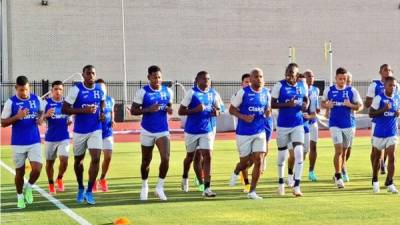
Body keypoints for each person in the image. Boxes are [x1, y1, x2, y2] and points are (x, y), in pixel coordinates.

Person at [62, 65, 106, 205]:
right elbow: (65, 109)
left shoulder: (99, 90)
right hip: (80, 131)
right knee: (78, 161)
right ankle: (80, 187)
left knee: (95, 158)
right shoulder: (76, 89)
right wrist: (84, 111)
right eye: (88, 73)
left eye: (93, 73)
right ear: (83, 75)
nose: (91, 76)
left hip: (96, 129)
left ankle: (89, 190)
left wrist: (102, 113)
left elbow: (102, 102)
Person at [1, 75, 44, 209]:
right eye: (21, 90)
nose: (24, 93)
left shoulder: (36, 98)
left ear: (29, 87)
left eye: (26, 89)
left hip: (34, 141)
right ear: (16, 88)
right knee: (20, 173)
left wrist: (40, 118)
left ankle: (29, 187)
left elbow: (41, 111)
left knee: (37, 169)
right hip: (18, 143)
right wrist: (17, 117)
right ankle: (20, 196)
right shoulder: (10, 102)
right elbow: (3, 122)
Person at [131, 65, 173, 201]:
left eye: (159, 77)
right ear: (148, 77)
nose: (157, 79)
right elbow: (134, 111)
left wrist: (169, 109)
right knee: (146, 161)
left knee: (166, 158)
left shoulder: (168, 91)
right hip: (147, 130)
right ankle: (144, 186)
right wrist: (149, 109)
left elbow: (169, 106)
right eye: (154, 77)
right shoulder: (142, 92)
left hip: (162, 130)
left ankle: (160, 187)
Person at [229, 68, 271, 199]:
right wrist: (243, 117)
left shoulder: (266, 93)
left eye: (261, 76)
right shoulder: (243, 93)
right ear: (251, 79)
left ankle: (252, 191)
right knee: (245, 163)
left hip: (260, 131)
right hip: (244, 133)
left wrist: (267, 113)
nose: (259, 79)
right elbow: (231, 109)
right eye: (256, 77)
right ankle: (237, 170)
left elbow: (267, 109)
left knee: (258, 160)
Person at [179, 71, 221, 198]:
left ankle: (207, 188)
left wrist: (216, 113)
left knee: (207, 156)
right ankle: (185, 176)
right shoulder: (192, 93)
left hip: (207, 130)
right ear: (197, 80)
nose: (207, 81)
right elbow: (181, 111)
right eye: (204, 79)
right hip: (192, 131)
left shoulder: (213, 93)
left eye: (208, 79)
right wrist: (195, 110)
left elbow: (219, 110)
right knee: (190, 158)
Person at [321, 67, 362, 189]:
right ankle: (339, 177)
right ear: (336, 78)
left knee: (345, 152)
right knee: (338, 150)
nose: (342, 81)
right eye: (340, 78)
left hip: (349, 124)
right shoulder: (329, 90)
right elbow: (323, 103)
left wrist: (351, 105)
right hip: (334, 124)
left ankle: (339, 171)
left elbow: (360, 106)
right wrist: (327, 105)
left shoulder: (352, 91)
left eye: (344, 78)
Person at [271, 63, 308, 197]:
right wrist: (287, 104)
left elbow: (306, 99)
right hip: (282, 125)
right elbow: (272, 104)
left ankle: (297, 186)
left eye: (291, 74)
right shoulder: (279, 85)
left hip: (298, 124)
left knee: (299, 153)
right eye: (287, 73)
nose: (288, 76)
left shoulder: (302, 86)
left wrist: (305, 105)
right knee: (282, 156)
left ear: (297, 75)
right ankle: (281, 183)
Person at [369, 76, 399, 193]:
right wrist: (383, 109)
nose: (392, 87)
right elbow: (371, 114)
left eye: (394, 85)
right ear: (385, 86)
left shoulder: (397, 97)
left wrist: (398, 113)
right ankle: (375, 180)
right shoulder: (378, 98)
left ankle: (390, 183)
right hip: (379, 133)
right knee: (377, 158)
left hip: (392, 132)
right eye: (390, 85)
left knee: (392, 157)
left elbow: (398, 110)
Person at [365, 64, 395, 175]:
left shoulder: (396, 86)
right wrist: (374, 99)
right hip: (377, 121)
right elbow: (367, 104)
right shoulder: (375, 85)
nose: (388, 72)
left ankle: (383, 164)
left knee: (390, 148)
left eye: (390, 70)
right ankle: (375, 171)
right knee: (375, 149)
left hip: (391, 122)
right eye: (385, 70)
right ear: (380, 72)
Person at [42, 80, 71, 194]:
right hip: (50, 138)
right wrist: (46, 115)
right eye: (56, 89)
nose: (58, 92)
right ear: (51, 91)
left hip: (64, 136)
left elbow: (69, 118)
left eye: (60, 89)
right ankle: (50, 183)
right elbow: (38, 120)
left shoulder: (66, 104)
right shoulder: (46, 103)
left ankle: (59, 178)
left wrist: (69, 120)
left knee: (64, 160)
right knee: (50, 163)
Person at [286, 73, 315, 187]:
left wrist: (310, 116)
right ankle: (290, 175)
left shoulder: (309, 98)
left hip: (305, 128)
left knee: (303, 153)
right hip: (292, 127)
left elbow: (314, 113)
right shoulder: (291, 96)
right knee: (293, 155)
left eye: (305, 82)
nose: (304, 84)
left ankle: (296, 176)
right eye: (301, 82)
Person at [94, 79, 116, 192]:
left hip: (108, 132)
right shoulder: (93, 100)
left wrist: (113, 119)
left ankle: (102, 178)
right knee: (96, 159)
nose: (101, 89)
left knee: (108, 157)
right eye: (99, 87)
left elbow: (112, 111)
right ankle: (93, 181)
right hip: (96, 133)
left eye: (103, 87)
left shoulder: (110, 100)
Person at [305, 70, 320, 181]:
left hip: (313, 122)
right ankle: (296, 171)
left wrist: (317, 111)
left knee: (313, 147)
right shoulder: (301, 89)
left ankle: (311, 171)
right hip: (303, 123)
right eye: (309, 76)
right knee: (303, 149)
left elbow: (317, 106)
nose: (311, 78)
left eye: (312, 76)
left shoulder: (316, 90)